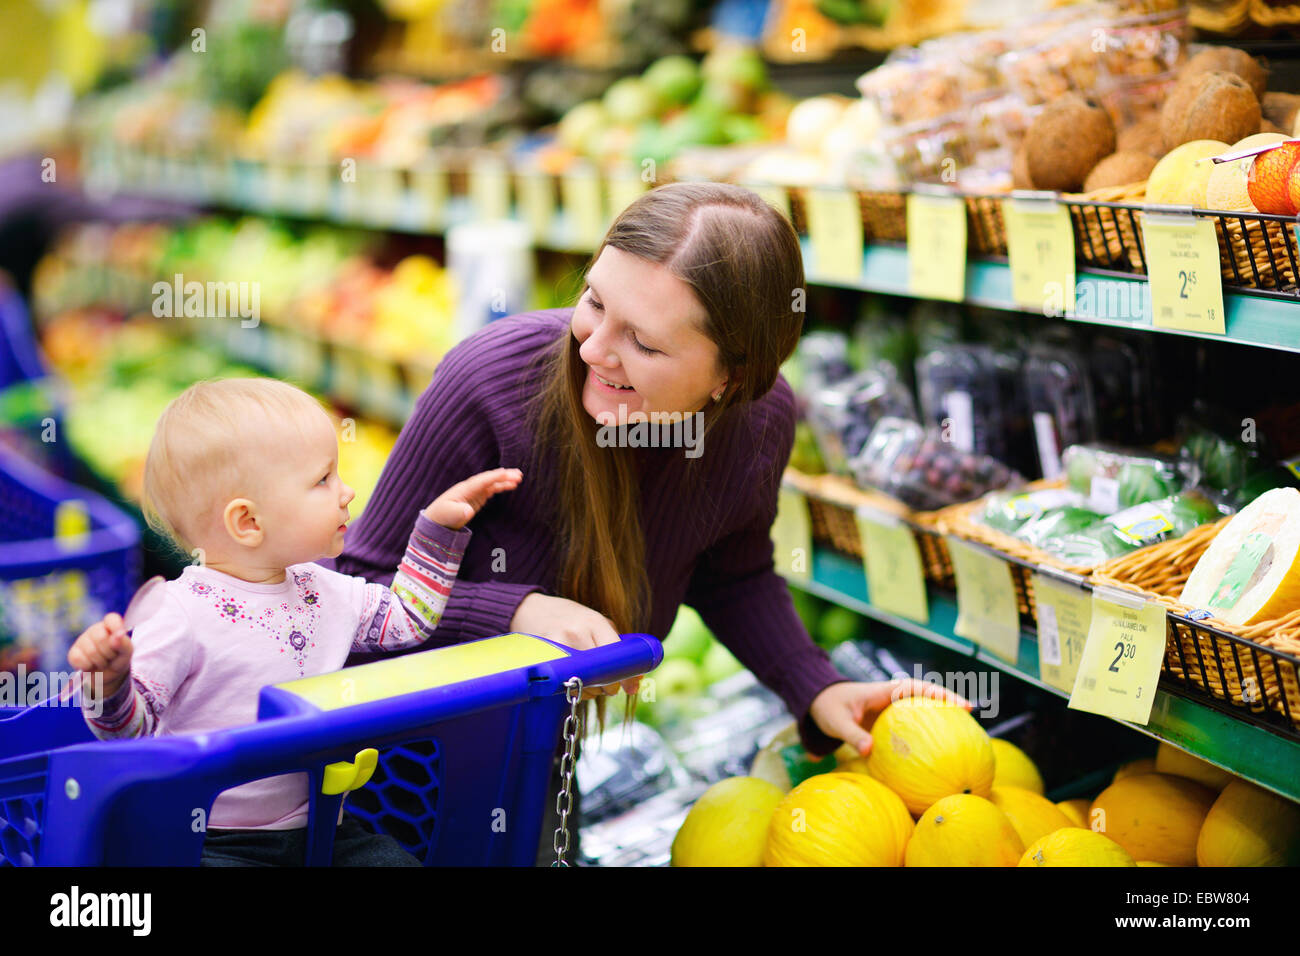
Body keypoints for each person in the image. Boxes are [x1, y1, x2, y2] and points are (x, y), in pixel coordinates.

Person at [325, 181, 968, 863]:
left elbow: (733, 573)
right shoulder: (488, 381)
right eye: (594, 301)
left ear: (730, 375)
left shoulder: (758, 422)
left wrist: (816, 685)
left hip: (541, 746)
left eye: (644, 342)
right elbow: (353, 586)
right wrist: (516, 614)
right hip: (391, 762)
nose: (595, 349)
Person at [67, 377, 522, 865]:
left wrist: (437, 530)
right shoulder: (181, 613)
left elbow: (407, 619)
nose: (348, 491)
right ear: (248, 522)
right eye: (323, 480)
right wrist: (109, 682)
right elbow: (129, 733)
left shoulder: (324, 587)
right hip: (208, 839)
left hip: (326, 826)